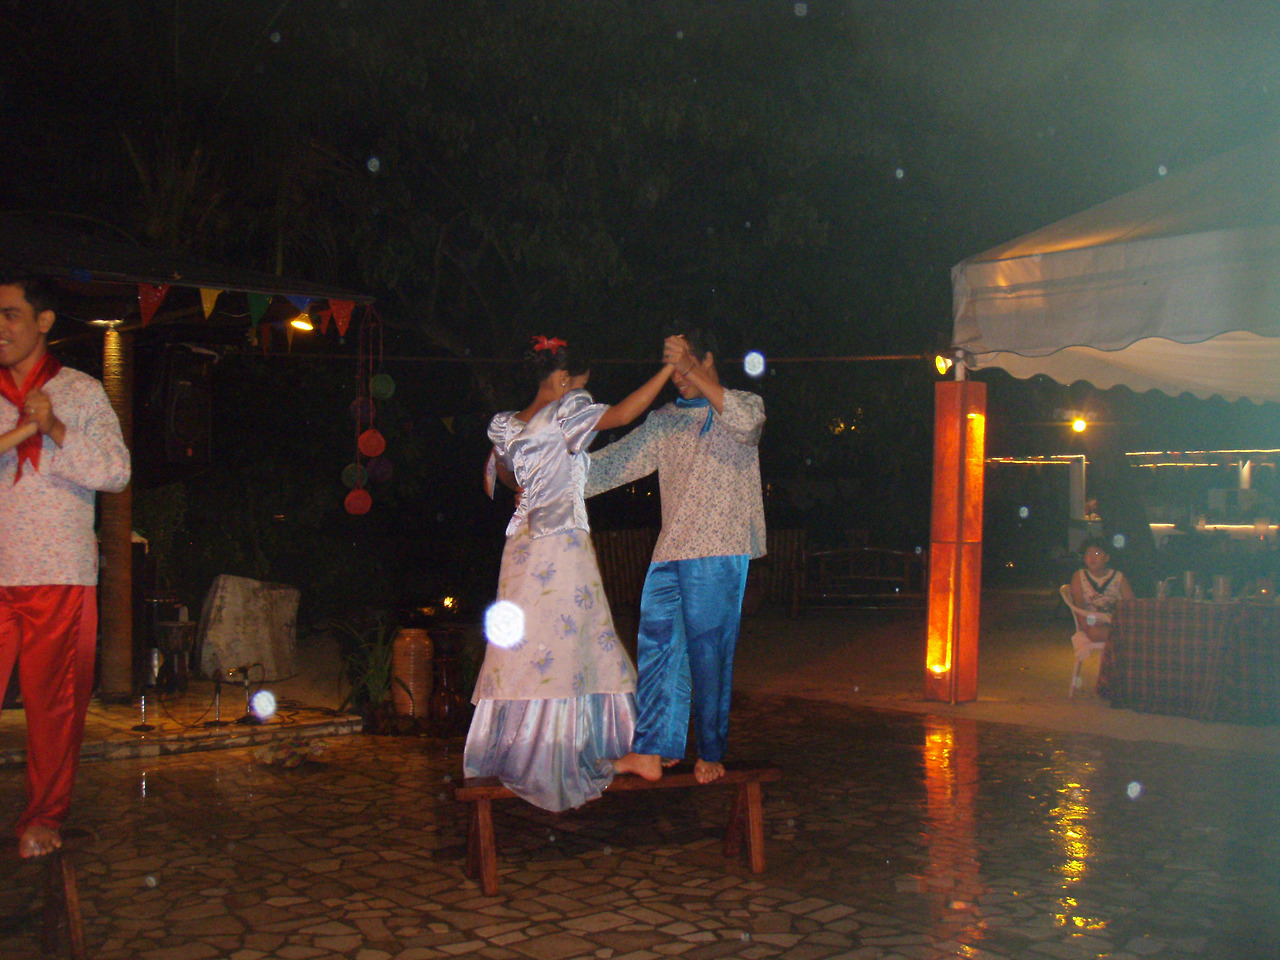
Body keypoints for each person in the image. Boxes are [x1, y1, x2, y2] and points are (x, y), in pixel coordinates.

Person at [464, 336, 674, 811]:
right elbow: (622, 414)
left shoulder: (507, 424)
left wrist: (521, 488)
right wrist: (666, 371)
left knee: (528, 648)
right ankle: (602, 751)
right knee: (579, 642)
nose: (584, 392)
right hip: (560, 545)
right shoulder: (565, 411)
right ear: (562, 380)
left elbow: (501, 474)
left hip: (520, 549)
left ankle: (524, 749)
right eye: (580, 383)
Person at [585, 329, 765, 784]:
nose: (680, 378)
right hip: (671, 551)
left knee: (709, 656)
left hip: (719, 550)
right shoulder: (665, 420)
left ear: (708, 359)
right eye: (674, 370)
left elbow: (747, 424)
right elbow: (612, 463)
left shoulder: (741, 406)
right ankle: (652, 749)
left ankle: (710, 751)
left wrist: (691, 368)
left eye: (687, 366)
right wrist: (545, 482)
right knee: (658, 650)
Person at [0, 272, 131, 858]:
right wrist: (22, 429)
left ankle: (42, 820)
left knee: (53, 712)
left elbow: (116, 472)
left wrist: (52, 426)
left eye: (10, 314)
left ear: (44, 321)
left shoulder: (81, 391)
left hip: (59, 574)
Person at [1069, 537, 1135, 644]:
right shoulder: (1079, 576)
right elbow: (1078, 607)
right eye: (1088, 553)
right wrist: (1085, 626)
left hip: (1116, 621)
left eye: (1097, 553)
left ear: (1107, 558)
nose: (1092, 557)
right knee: (1095, 632)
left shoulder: (1118, 577)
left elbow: (1132, 603)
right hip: (1093, 622)